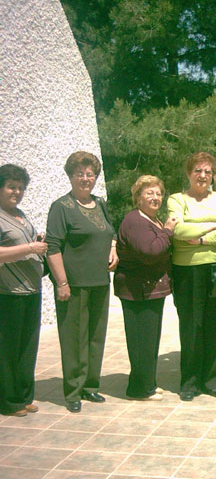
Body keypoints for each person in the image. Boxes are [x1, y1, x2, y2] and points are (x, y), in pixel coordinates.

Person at [46, 151, 118, 413]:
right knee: (74, 338)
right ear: (71, 176)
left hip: (100, 281)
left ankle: (90, 386)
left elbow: (110, 232)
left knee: (96, 336)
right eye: (80, 174)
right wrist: (61, 283)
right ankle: (73, 390)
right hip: (74, 285)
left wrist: (114, 247)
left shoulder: (100, 203)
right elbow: (52, 246)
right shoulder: (61, 207)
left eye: (90, 174)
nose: (86, 178)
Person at [168, 152, 216, 401]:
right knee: (191, 327)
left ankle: (211, 380)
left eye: (207, 172)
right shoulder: (176, 199)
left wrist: (199, 239)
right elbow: (178, 229)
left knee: (214, 325)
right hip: (186, 271)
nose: (204, 176)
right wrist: (213, 226)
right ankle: (189, 382)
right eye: (198, 170)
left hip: (215, 269)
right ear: (188, 173)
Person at [114, 175, 178, 401]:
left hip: (150, 289)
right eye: (149, 193)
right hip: (136, 290)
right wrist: (168, 231)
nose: (155, 197)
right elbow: (150, 251)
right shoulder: (135, 221)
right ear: (138, 197)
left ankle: (147, 382)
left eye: (159, 193)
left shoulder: (152, 219)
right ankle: (140, 388)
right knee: (141, 339)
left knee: (150, 338)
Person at [0, 164, 47, 417]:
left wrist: (36, 241)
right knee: (8, 349)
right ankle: (9, 401)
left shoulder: (20, 214)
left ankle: (25, 395)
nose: (16, 192)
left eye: (20, 188)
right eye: (11, 187)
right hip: (7, 293)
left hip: (31, 291)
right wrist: (29, 248)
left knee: (28, 346)